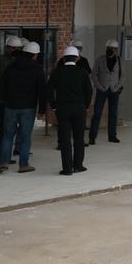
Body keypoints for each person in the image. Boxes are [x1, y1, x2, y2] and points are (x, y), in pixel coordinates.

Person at [0, 41, 47, 174]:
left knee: (7, 135)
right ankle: (23, 164)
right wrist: (41, 110)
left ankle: (3, 162)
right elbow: (42, 90)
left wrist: (7, 100)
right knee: (25, 136)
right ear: (35, 55)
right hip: (28, 107)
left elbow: (1, 86)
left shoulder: (11, 66)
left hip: (11, 106)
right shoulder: (37, 69)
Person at [48, 46, 93, 176]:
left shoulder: (57, 72)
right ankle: (78, 165)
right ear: (77, 58)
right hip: (79, 108)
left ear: (63, 58)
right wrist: (86, 105)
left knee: (65, 139)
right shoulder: (83, 72)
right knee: (79, 138)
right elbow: (89, 91)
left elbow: (49, 90)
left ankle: (67, 169)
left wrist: (54, 106)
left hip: (62, 109)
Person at [0, 35, 23, 168]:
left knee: (9, 129)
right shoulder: (2, 61)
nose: (15, 51)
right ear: (7, 48)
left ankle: (4, 156)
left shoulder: (13, 60)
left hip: (9, 100)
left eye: (18, 49)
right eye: (14, 48)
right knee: (2, 128)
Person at [90, 39, 124, 145]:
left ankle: (112, 136)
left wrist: (118, 87)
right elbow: (94, 75)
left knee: (113, 114)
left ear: (116, 50)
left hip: (114, 90)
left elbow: (122, 76)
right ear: (107, 48)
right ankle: (92, 136)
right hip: (102, 90)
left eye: (114, 49)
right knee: (97, 113)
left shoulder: (119, 60)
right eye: (110, 48)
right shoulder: (100, 60)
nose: (112, 50)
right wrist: (99, 86)